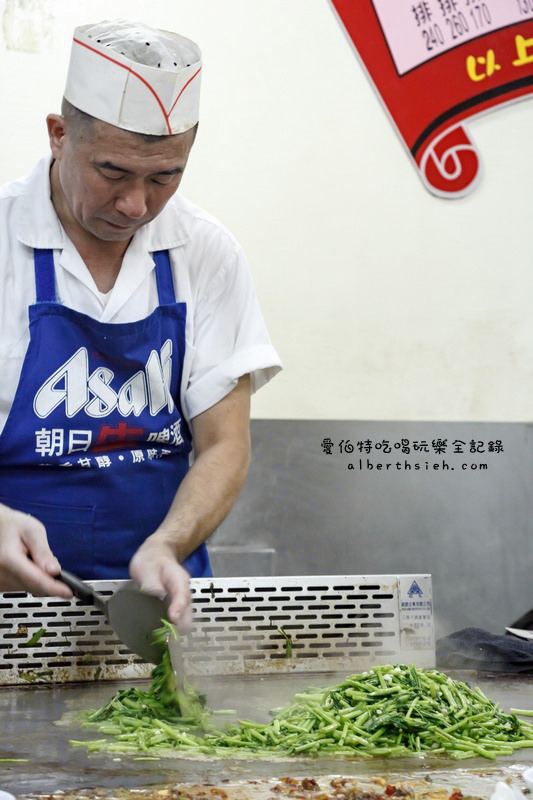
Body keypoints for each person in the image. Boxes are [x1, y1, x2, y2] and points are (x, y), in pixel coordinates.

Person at [0, 20, 281, 629]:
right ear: (57, 135)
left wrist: (166, 545)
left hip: (154, 612)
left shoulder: (206, 252)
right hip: (10, 617)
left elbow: (224, 444)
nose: (136, 206)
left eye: (164, 178)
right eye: (112, 172)